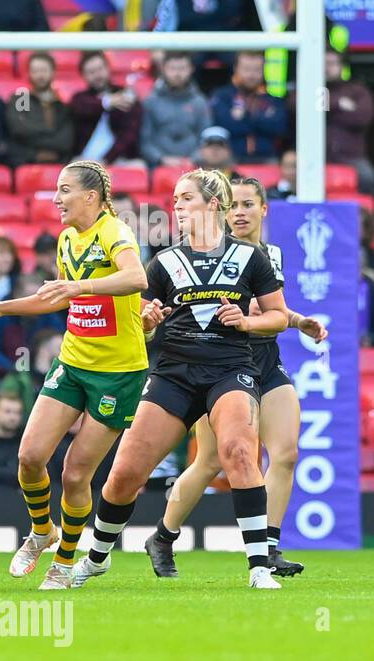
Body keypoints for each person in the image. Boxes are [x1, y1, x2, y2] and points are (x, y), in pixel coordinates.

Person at [73, 169, 290, 591]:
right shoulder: (165, 261)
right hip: (174, 372)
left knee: (239, 452)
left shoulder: (250, 258)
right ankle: (97, 558)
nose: (176, 205)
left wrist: (246, 322)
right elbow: (141, 323)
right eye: (174, 199)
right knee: (124, 473)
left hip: (231, 368)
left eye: (185, 198)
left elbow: (278, 316)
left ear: (212, 205)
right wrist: (149, 322)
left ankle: (259, 567)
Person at [0, 160, 148, 590]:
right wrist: (1, 307)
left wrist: (80, 288)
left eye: (64, 191)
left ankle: (64, 563)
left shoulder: (114, 232)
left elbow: (136, 278)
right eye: (55, 190)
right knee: (29, 457)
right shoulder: (66, 239)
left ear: (91, 197)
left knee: (77, 473)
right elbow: (58, 298)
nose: (56, 199)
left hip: (117, 374)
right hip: (73, 362)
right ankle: (42, 531)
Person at [143, 177, 328, 580]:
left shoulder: (268, 255)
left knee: (286, 453)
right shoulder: (210, 253)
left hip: (264, 362)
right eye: (235, 205)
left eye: (249, 204)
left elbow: (270, 307)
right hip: (221, 366)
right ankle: (163, 535)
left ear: (264, 210)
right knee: (211, 460)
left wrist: (297, 322)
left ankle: (270, 545)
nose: (239, 212)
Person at [210, 51, 287, 162]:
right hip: (230, 161)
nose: (251, 75)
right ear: (236, 68)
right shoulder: (222, 96)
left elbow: (279, 127)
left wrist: (244, 116)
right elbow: (224, 126)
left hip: (268, 161)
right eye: (246, 69)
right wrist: (261, 119)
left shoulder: (273, 101)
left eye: (256, 70)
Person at [141, 51, 211, 168]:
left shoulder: (200, 102)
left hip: (194, 167)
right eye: (172, 68)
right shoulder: (151, 101)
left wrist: (193, 159)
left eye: (182, 68)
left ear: (191, 69)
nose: (177, 73)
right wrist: (161, 159)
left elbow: (206, 139)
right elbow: (145, 141)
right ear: (163, 69)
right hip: (158, 168)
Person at [70, 51, 143, 163]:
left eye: (100, 69)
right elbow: (82, 107)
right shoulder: (80, 99)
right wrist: (107, 102)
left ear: (108, 68)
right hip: (84, 160)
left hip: (120, 160)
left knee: (138, 166)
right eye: (91, 72)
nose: (97, 75)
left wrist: (107, 159)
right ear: (83, 76)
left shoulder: (126, 95)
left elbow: (129, 135)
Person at [5, 51, 74, 167]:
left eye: (44, 70)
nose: (40, 75)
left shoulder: (61, 105)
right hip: (26, 162)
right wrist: (37, 152)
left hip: (58, 164)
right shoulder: (22, 99)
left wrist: (36, 135)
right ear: (29, 73)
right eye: (35, 71)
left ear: (53, 72)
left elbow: (66, 142)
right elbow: (19, 130)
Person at [325, 49, 373, 193]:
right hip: (312, 159)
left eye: (332, 63)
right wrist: (338, 104)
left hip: (351, 158)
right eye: (323, 63)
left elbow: (362, 118)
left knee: (369, 178)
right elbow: (295, 107)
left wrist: (326, 110)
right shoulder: (310, 88)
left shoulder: (357, 91)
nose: (327, 68)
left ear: (342, 66)